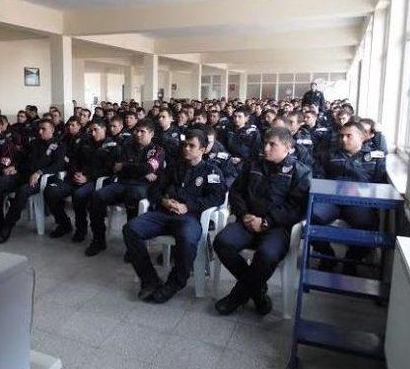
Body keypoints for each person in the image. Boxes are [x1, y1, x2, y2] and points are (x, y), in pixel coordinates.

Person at [214, 127, 311, 316]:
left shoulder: (300, 172)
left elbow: (296, 208)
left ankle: (236, 297)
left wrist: (267, 222)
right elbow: (236, 192)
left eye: (272, 144)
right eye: (265, 143)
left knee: (266, 255)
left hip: (277, 229)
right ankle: (258, 291)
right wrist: (243, 215)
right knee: (222, 242)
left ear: (287, 147)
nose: (266, 148)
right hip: (248, 221)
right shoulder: (253, 165)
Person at [123, 130, 227, 303]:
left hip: (190, 217)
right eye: (185, 144)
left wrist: (188, 207)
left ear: (202, 149)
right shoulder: (173, 167)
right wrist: (164, 202)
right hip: (163, 213)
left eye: (191, 145)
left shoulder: (211, 171)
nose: (186, 148)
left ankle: (175, 282)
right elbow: (154, 189)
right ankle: (149, 279)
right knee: (130, 229)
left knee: (187, 238)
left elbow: (217, 197)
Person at [311, 121, 387, 274]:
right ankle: (328, 256)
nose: (343, 139)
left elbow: (379, 183)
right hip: (330, 201)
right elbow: (318, 177)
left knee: (369, 226)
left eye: (349, 136)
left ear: (362, 137)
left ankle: (351, 260)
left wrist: (362, 190)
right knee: (310, 219)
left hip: (358, 203)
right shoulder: (329, 155)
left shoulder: (374, 157)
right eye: (342, 136)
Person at [87, 119, 165, 257]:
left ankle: (132, 246)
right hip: (123, 183)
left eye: (142, 132)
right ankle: (98, 240)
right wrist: (140, 170)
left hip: (143, 186)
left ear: (151, 134)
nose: (138, 134)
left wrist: (127, 166)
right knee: (97, 196)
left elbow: (146, 167)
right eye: (136, 130)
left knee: (133, 196)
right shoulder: (127, 146)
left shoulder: (157, 150)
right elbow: (117, 168)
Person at [44, 119, 121, 242]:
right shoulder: (84, 142)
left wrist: (88, 177)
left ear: (104, 129)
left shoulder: (113, 146)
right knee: (50, 191)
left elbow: (109, 169)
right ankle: (64, 224)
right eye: (91, 130)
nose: (93, 133)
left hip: (95, 181)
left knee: (79, 195)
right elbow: (73, 160)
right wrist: (75, 172)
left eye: (96, 130)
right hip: (76, 177)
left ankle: (82, 229)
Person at [0, 119, 65, 243]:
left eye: (43, 129)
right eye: (39, 129)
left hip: (43, 178)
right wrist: (14, 166)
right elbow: (22, 158)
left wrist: (40, 173)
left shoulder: (59, 145)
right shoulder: (34, 143)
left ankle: (7, 226)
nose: (40, 132)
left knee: (23, 191)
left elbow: (58, 165)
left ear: (52, 130)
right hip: (24, 174)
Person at [226, 106, 262, 170]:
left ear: (246, 118)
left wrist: (242, 159)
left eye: (240, 117)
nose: (236, 119)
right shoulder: (228, 129)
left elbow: (255, 151)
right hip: (228, 161)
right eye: (235, 116)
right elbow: (223, 146)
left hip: (246, 164)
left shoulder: (253, 132)